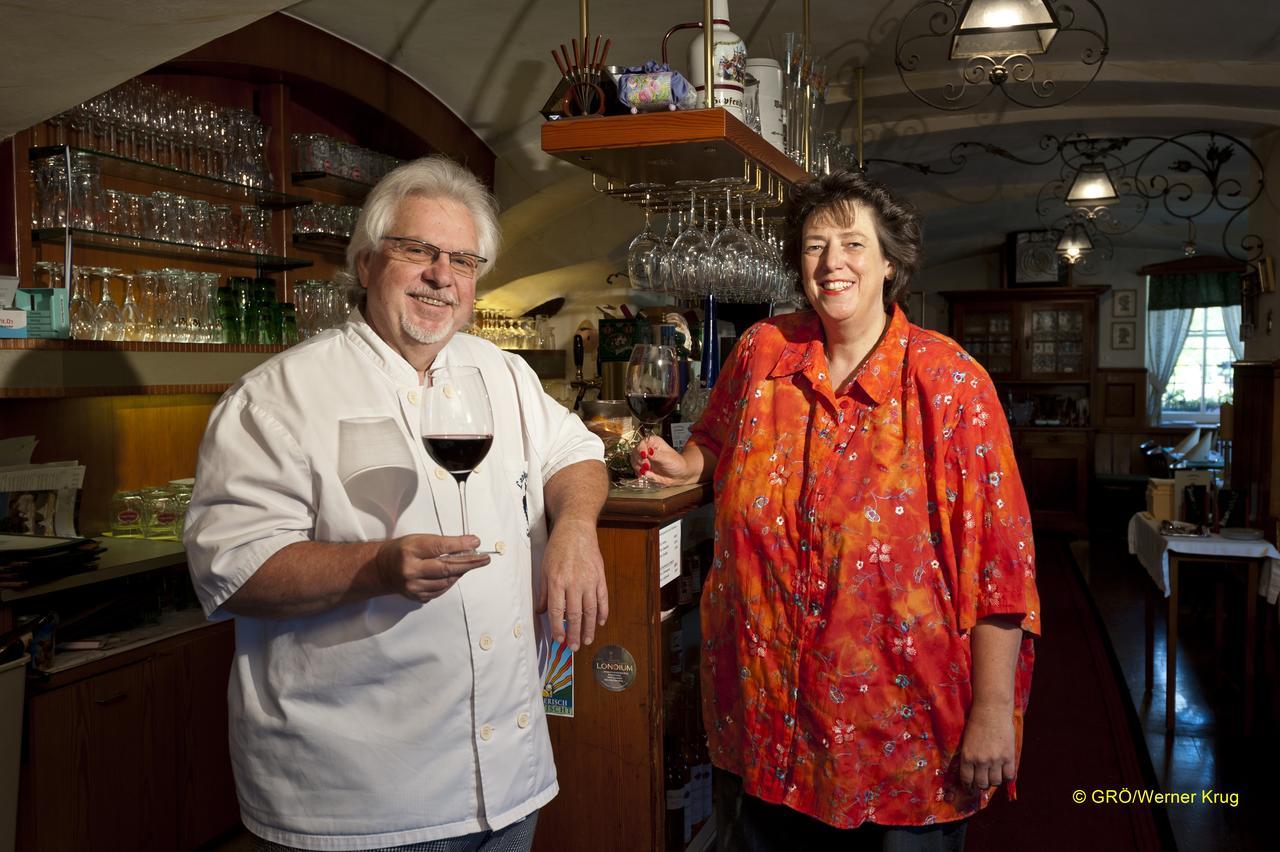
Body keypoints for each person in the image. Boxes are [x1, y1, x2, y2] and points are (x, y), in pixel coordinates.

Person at [184, 156, 610, 852]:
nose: (443, 275)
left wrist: (576, 530)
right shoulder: (278, 396)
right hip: (363, 800)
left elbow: (576, 453)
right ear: (365, 262)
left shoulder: (500, 372)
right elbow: (233, 567)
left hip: (511, 782)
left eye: (464, 260)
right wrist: (377, 569)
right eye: (419, 251)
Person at [632, 170, 1039, 850]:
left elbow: (1001, 565)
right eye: (816, 245)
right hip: (765, 721)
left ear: (889, 263)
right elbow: (715, 437)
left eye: (854, 243)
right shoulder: (763, 352)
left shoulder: (950, 382)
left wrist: (994, 712)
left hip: (898, 742)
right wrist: (692, 466)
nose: (832, 262)